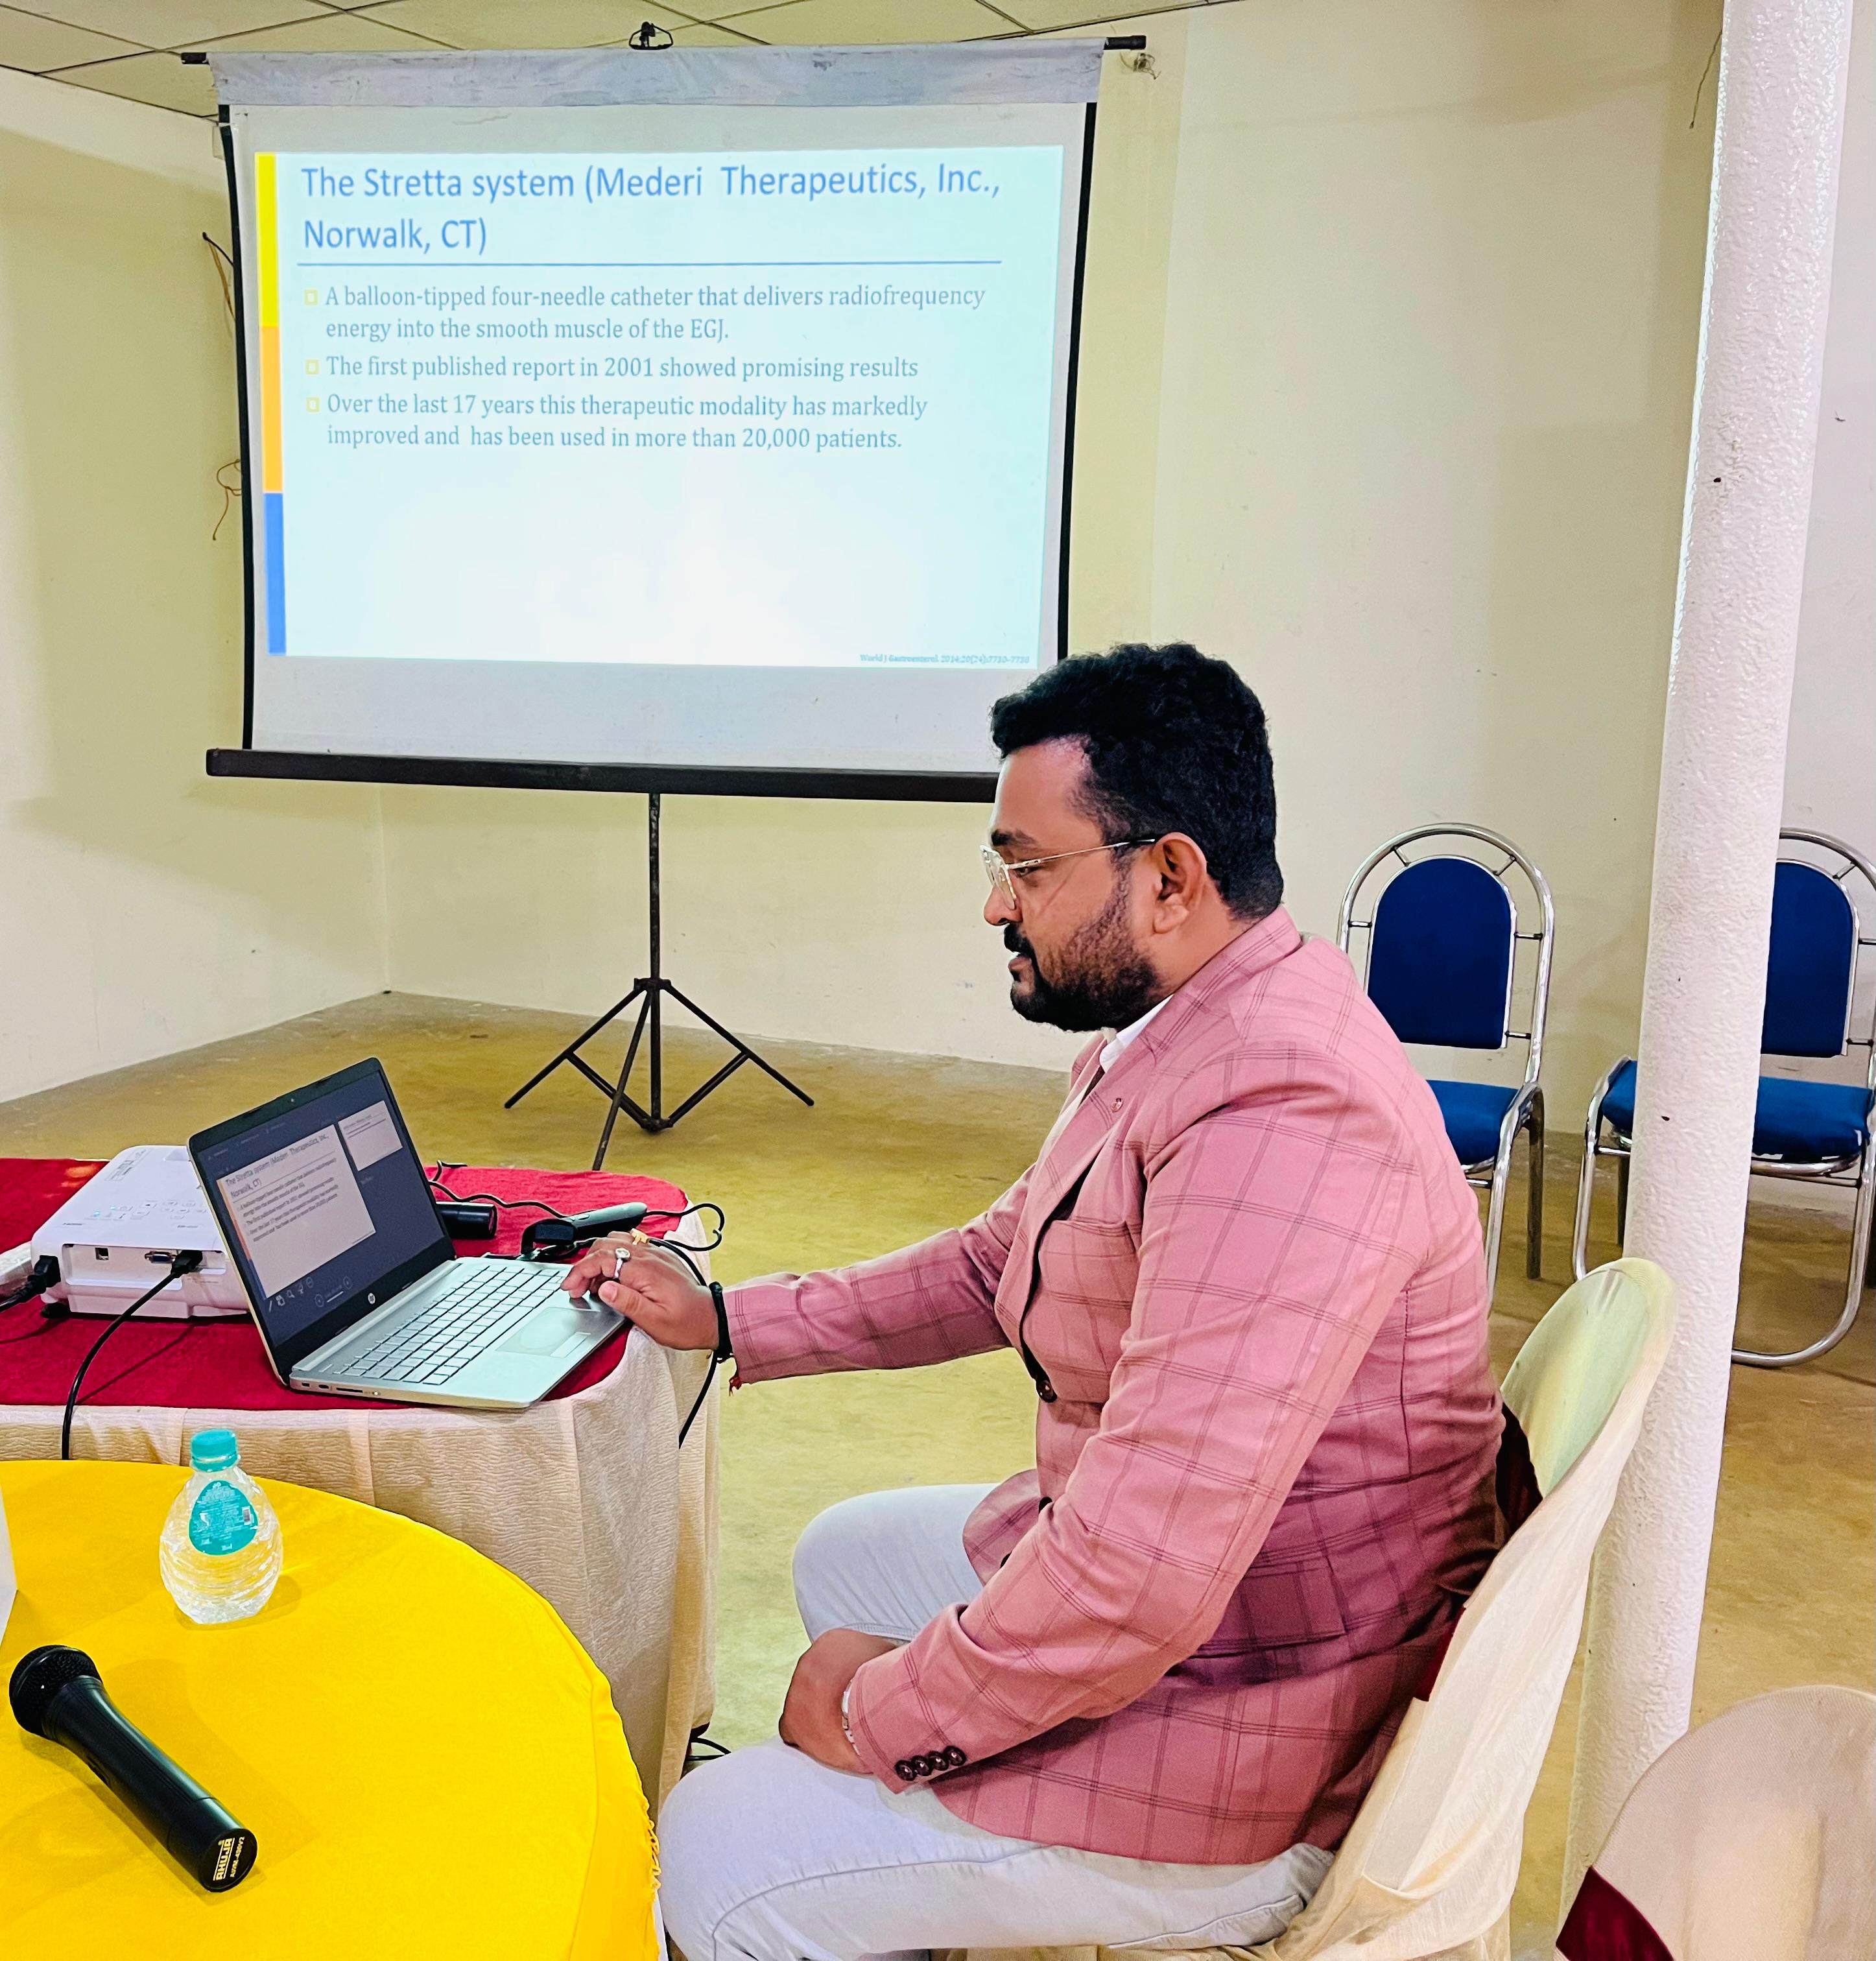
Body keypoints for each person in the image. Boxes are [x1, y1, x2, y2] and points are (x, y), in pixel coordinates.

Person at [565, 643, 1502, 1961]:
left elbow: (1138, 1574)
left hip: (1271, 1717)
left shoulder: (1282, 1111)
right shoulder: (1190, 1027)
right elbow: (991, 1265)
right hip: (1245, 1609)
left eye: (1027, 867)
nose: (994, 907)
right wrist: (729, 1319)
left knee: (715, 1850)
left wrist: (886, 1713)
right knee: (843, 1551)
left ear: (1168, 876)